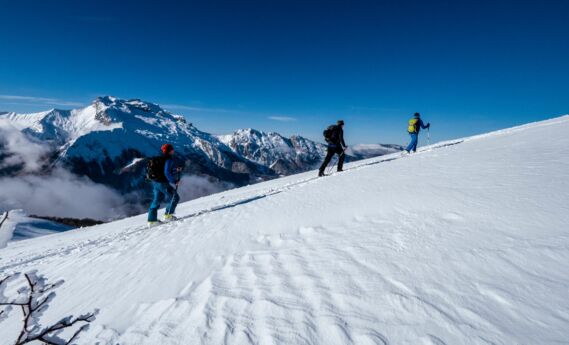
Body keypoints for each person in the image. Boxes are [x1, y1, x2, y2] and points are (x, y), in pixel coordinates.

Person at [147, 143, 181, 225]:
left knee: (157, 200)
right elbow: (166, 173)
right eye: (172, 149)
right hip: (162, 183)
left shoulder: (160, 159)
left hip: (155, 182)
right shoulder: (168, 159)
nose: (173, 150)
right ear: (170, 151)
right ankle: (168, 215)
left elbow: (163, 170)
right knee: (175, 197)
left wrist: (176, 170)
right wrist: (174, 181)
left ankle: (152, 220)